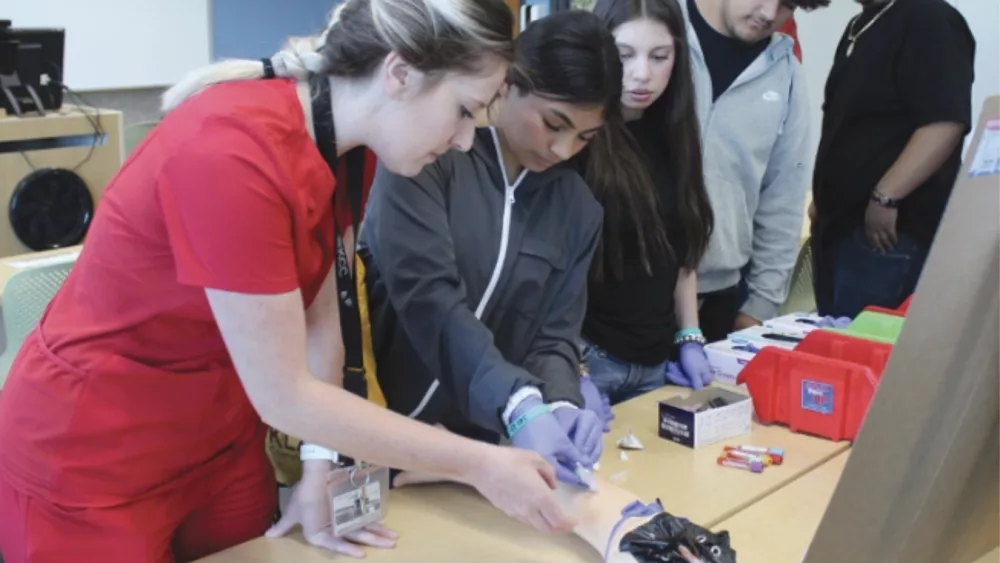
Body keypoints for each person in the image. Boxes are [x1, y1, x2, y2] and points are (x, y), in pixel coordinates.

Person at [0, 1, 580, 562]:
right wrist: (478, 462)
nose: (463, 140)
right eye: (462, 110)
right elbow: (285, 394)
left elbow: (324, 322)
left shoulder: (349, 148)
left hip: (216, 441)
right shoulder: (232, 154)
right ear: (399, 73)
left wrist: (319, 467)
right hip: (92, 459)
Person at [359, 10, 627, 489]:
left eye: (584, 138)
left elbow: (553, 336)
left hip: (470, 460)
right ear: (508, 84)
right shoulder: (427, 156)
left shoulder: (576, 209)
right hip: (371, 431)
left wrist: (562, 403)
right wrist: (520, 404)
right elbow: (429, 299)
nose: (563, 150)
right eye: (553, 124)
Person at [577, 0, 715, 404]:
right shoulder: (577, 140)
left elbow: (682, 248)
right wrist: (573, 369)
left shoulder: (676, 136)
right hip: (590, 360)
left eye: (660, 57)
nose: (642, 74)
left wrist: (689, 336)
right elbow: (554, 274)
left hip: (657, 362)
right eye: (624, 56)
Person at [810, 0, 975, 318]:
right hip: (840, 227)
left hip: (888, 234)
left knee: (868, 354)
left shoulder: (930, 17)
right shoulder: (860, 25)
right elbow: (848, 123)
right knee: (835, 351)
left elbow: (944, 122)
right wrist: (823, 198)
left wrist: (886, 196)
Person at [679, 0, 829, 343]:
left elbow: (784, 197)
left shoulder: (785, 72)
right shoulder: (656, 29)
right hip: (626, 291)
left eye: (787, 6)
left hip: (721, 296)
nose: (768, 13)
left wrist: (759, 307)